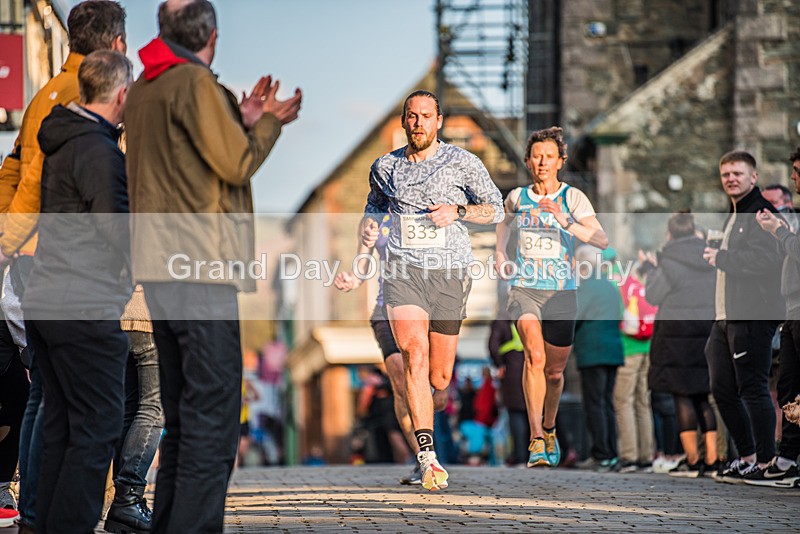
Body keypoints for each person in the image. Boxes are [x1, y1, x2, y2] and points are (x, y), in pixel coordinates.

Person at [123, 1, 301, 531]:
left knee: (182, 415)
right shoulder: (196, 85)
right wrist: (267, 124)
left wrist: (237, 118)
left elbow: (188, 154)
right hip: (200, 265)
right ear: (212, 37)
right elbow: (235, 162)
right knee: (214, 417)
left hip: (158, 265)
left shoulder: (147, 88)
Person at [0, 3, 128, 530]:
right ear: (114, 43)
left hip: (43, 274)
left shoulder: (44, 99)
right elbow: (35, 189)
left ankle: (37, 515)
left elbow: (15, 173)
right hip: (69, 277)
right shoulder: (83, 104)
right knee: (89, 420)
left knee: (48, 406)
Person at [362, 89, 503, 490]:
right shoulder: (385, 167)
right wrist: (369, 230)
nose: (419, 122)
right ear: (404, 120)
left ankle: (437, 402)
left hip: (450, 274)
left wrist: (457, 211)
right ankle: (427, 458)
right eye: (412, 115)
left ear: (438, 121)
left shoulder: (463, 162)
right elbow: (373, 207)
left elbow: (495, 208)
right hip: (403, 272)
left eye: (426, 115)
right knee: (413, 353)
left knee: (438, 378)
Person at [494, 126, 608, 468]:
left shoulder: (572, 199)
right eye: (536, 157)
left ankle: (549, 426)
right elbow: (503, 223)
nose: (542, 162)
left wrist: (565, 222)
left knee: (555, 373)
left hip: (561, 291)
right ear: (528, 162)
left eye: (549, 157)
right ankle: (535, 440)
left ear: (561, 161)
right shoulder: (516, 197)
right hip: (525, 288)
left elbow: (600, 239)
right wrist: (501, 253)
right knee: (535, 356)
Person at [335, 214, 449, 485]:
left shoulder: (428, 210)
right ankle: (424, 458)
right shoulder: (372, 218)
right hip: (387, 309)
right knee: (400, 380)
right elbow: (363, 260)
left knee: (434, 382)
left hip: (429, 308)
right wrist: (354, 279)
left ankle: (428, 447)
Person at [703, 150, 784, 483]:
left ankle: (766, 461)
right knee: (721, 387)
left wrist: (721, 257)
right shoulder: (733, 213)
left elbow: (765, 261)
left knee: (752, 387)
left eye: (737, 173)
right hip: (725, 316)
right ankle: (747, 455)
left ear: (754, 177)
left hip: (752, 315)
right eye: (725, 175)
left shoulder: (761, 213)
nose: (731, 179)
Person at [642, 211, 718, 478]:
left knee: (682, 396)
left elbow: (653, 295)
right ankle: (712, 460)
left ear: (671, 233)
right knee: (703, 396)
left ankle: (692, 460)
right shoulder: (710, 256)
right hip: (707, 332)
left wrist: (651, 270)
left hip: (676, 335)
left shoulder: (668, 261)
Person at [748, 146, 800, 487]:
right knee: (789, 388)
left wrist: (778, 232)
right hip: (791, 309)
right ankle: (789, 457)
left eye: (797, 170)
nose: (793, 176)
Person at [105, 289, 162, 534]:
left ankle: (123, 502)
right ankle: (128, 498)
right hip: (147, 315)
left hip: (119, 314)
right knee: (154, 407)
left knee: (130, 408)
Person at [572, 245, 624, 472]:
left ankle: (601, 454)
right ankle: (611, 453)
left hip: (593, 351)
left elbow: (574, 317)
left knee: (594, 404)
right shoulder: (610, 286)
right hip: (613, 350)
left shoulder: (587, 287)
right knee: (606, 404)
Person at [613, 267, 655, 473]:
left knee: (623, 402)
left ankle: (629, 456)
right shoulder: (637, 282)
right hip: (647, 346)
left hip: (628, 349)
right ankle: (646, 457)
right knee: (643, 402)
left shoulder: (614, 283)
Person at [488, 311, 529, 466]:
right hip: (533, 371)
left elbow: (493, 345)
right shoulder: (532, 317)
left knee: (516, 413)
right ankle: (534, 454)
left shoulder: (502, 321)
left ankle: (520, 455)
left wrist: (499, 364)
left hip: (511, 373)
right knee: (532, 414)